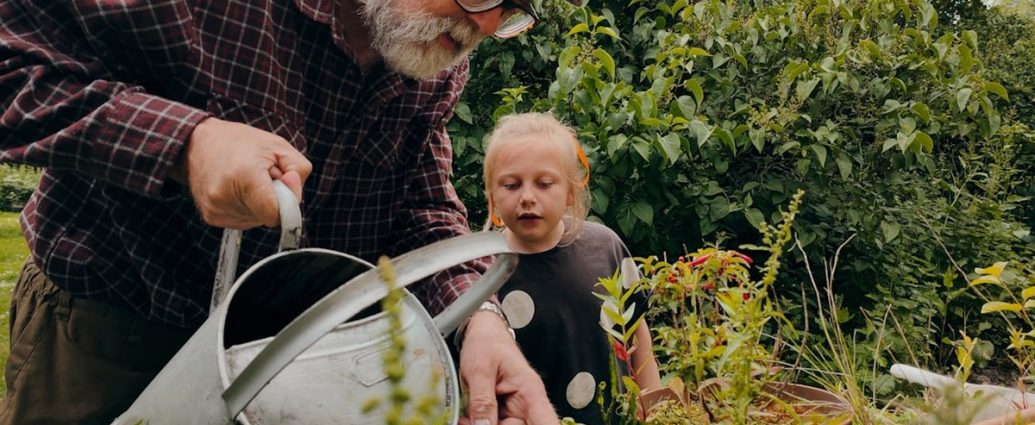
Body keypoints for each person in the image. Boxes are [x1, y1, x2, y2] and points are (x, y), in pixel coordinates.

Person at [0, 1, 563, 424]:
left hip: (295, 364)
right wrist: (185, 144)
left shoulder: (434, 52)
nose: (486, 26)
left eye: (512, 8)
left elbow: (419, 202)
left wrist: (479, 320)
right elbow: (15, 66)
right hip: (109, 338)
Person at [481, 112, 662, 424]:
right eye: (511, 185)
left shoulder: (605, 247)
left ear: (570, 191)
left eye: (544, 183)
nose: (527, 197)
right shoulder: (482, 273)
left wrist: (655, 407)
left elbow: (637, 335)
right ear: (493, 195)